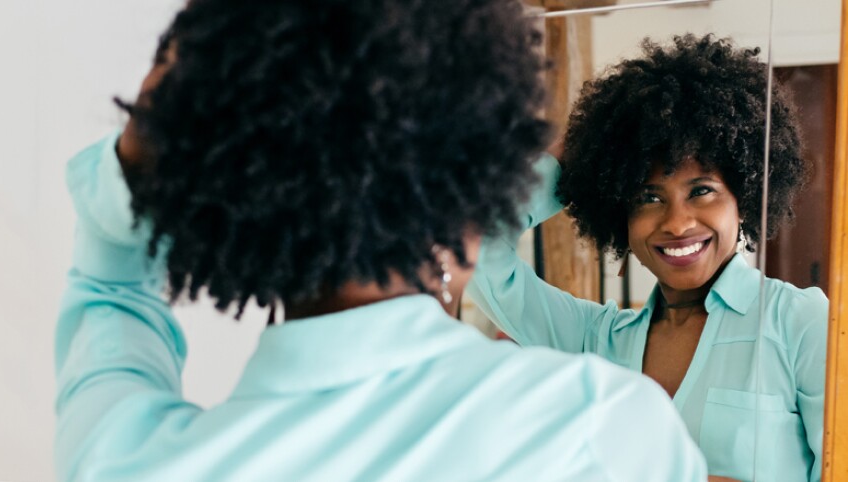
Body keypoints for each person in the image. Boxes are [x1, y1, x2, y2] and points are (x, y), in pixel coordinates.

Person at [53, 1, 708, 480]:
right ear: (473, 186)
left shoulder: (126, 461)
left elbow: (109, 288)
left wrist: (148, 153)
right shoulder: (596, 428)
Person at [467, 34, 827, 482]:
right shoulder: (593, 340)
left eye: (702, 191)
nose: (677, 223)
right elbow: (474, 246)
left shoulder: (800, 322)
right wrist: (574, 160)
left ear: (746, 196)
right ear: (619, 213)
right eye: (648, 197)